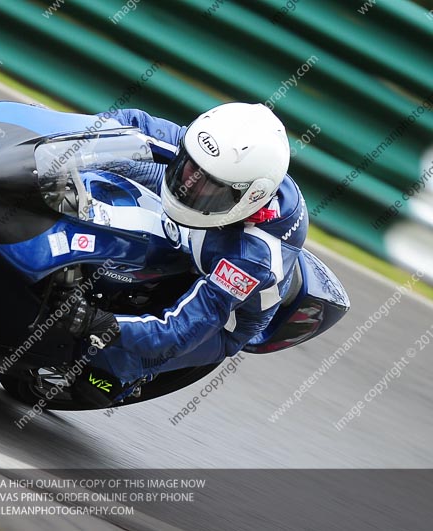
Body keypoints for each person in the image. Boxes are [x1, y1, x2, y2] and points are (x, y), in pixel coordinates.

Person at [64, 102, 308, 406]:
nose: (188, 185)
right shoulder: (216, 163)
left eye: (208, 186)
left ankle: (124, 379)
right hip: (207, 226)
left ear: (249, 196)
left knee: (100, 374)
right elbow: (132, 122)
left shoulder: (252, 259)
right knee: (109, 161)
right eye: (190, 166)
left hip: (221, 315)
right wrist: (70, 135)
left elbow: (179, 330)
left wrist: (99, 323)